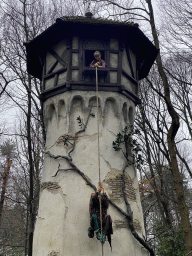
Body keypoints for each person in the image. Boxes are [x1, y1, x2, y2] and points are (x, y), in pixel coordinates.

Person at [88, 181, 113, 250]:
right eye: (98, 197)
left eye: (100, 197)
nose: (99, 197)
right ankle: (98, 233)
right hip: (96, 222)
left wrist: (104, 190)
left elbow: (106, 203)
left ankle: (104, 234)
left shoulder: (103, 206)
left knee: (108, 217)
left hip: (102, 222)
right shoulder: (93, 205)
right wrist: (97, 191)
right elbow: (93, 199)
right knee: (94, 216)